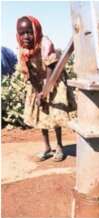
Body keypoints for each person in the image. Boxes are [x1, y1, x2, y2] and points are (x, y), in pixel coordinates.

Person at [16, 16, 69, 161]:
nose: (26, 36)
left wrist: (46, 91)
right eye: (22, 33)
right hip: (37, 82)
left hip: (52, 80)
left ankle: (59, 146)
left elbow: (51, 68)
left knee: (54, 115)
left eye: (29, 32)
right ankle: (46, 147)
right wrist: (38, 93)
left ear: (36, 30)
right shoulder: (23, 49)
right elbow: (29, 73)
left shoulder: (45, 43)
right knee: (41, 116)